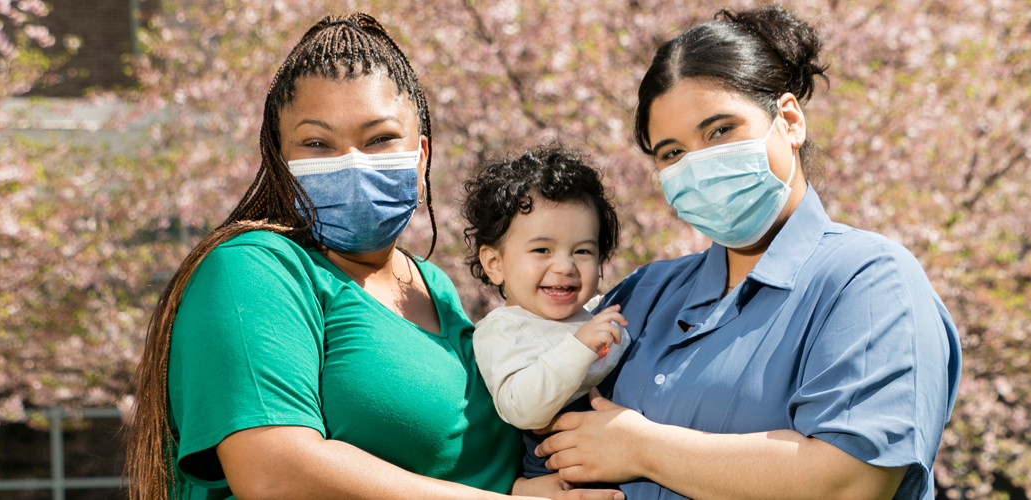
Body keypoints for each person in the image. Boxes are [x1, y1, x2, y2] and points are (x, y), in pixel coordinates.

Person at [123, 14, 622, 500]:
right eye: (318, 143)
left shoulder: (433, 285)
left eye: (380, 139)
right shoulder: (253, 270)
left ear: (421, 154)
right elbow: (272, 471)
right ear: (281, 159)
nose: (353, 163)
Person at [534, 6, 962, 500]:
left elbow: (850, 480)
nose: (700, 164)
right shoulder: (643, 295)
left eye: (720, 131)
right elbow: (544, 432)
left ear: (790, 120)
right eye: (672, 153)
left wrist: (642, 448)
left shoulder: (868, 280)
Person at [460, 146, 629, 475]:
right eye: (542, 249)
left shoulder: (592, 313)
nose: (565, 266)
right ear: (495, 264)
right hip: (561, 471)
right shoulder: (502, 329)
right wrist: (579, 346)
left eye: (582, 251)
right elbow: (522, 409)